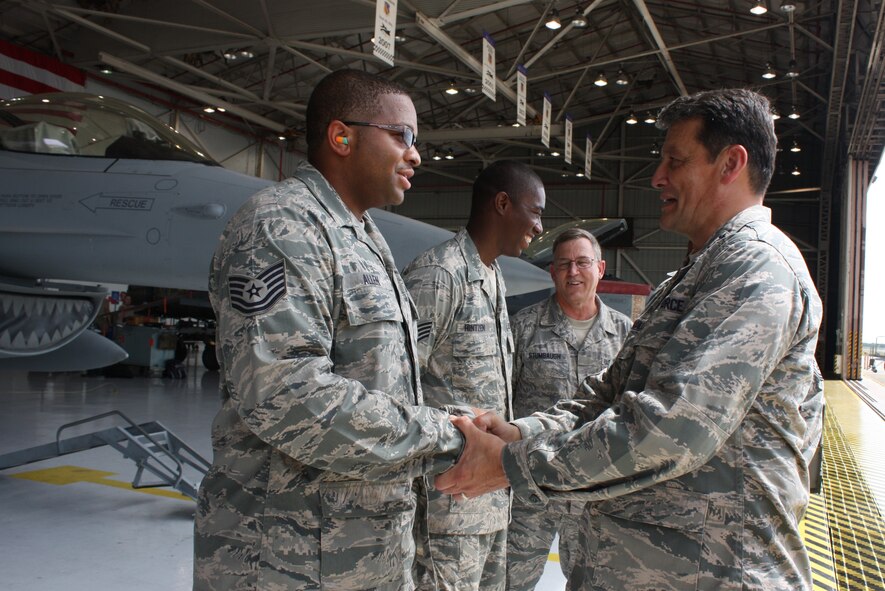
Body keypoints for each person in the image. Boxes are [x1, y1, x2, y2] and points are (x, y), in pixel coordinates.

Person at [437, 88, 824, 591]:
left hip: (714, 573)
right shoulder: (693, 277)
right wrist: (520, 433)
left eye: (675, 161)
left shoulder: (757, 271)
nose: (657, 177)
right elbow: (609, 395)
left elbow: (673, 428)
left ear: (731, 164)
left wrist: (510, 465)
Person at [193, 69, 467, 590]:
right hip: (287, 559)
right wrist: (446, 434)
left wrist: (452, 422)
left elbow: (379, 384)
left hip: (358, 553)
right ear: (342, 136)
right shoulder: (281, 226)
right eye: (402, 135)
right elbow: (287, 395)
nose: (415, 155)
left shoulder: (362, 237)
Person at [402, 160, 546, 591]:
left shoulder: (491, 273)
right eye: (535, 212)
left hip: (489, 503)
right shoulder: (440, 275)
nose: (539, 226)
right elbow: (398, 384)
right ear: (502, 204)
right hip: (445, 509)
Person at [506, 228, 631, 591]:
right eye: (563, 264)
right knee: (510, 581)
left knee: (594, 583)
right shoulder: (524, 327)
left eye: (582, 262)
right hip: (533, 486)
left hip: (596, 490)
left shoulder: (626, 335)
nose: (573, 272)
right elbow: (502, 401)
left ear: (600, 269)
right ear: (552, 272)